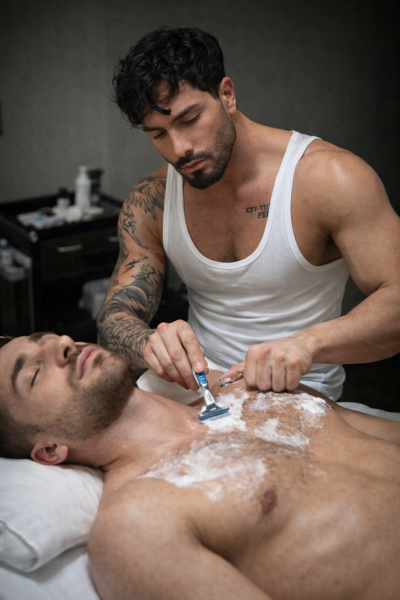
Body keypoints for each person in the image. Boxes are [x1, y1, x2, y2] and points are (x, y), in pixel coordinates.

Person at [96, 27, 400, 401]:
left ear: (227, 95)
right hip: (199, 395)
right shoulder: (151, 200)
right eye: (158, 134)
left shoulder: (329, 178)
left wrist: (307, 345)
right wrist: (148, 343)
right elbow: (113, 318)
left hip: (300, 400)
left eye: (189, 119)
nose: (179, 148)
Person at [1, 332, 400, 599]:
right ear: (49, 451)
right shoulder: (135, 523)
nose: (63, 345)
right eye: (34, 373)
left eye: (51, 337)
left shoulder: (246, 385)